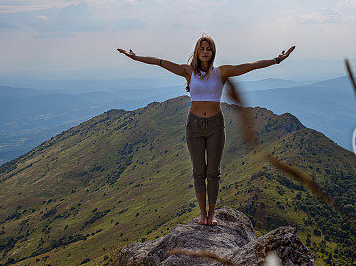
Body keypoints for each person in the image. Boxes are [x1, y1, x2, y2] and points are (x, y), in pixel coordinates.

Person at [118, 35, 295, 226]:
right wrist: (135, 58)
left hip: (215, 126)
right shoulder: (188, 71)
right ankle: (202, 214)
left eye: (208, 49)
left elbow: (250, 66)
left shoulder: (222, 72)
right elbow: (160, 63)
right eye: (202, 48)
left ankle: (212, 214)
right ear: (197, 51)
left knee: (213, 172)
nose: (205, 52)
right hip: (194, 126)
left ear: (213, 52)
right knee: (198, 172)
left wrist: (276, 60)